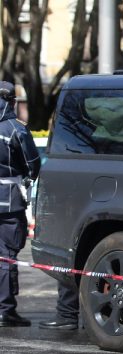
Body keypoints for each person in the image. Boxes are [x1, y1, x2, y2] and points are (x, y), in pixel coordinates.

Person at [0, 81, 41, 327]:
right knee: (6, 256)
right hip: (8, 201)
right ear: (11, 101)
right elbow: (33, 164)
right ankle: (5, 310)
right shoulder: (15, 129)